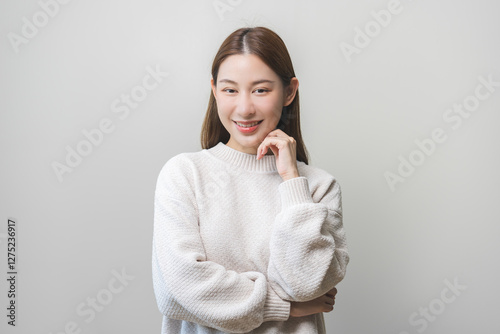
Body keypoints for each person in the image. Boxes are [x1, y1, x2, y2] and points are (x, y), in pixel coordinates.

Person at [152, 26, 349, 334]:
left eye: (260, 90)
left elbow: (307, 284)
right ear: (214, 89)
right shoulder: (184, 174)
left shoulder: (318, 186)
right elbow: (177, 292)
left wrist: (291, 181)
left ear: (289, 91)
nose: (244, 108)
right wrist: (285, 307)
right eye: (230, 90)